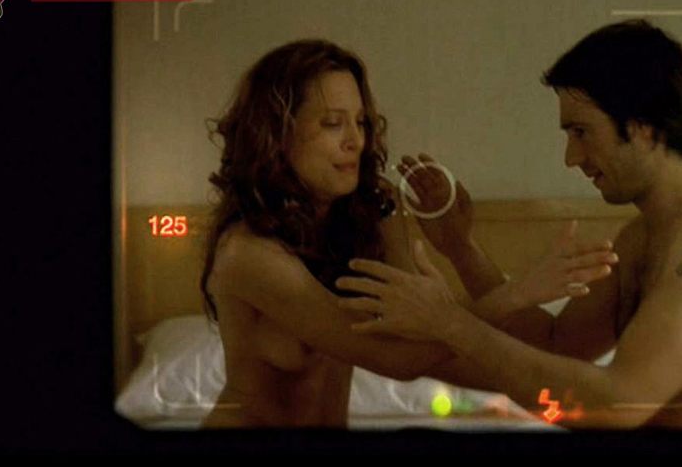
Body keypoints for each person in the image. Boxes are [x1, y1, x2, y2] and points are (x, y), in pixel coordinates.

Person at [337, 20, 682, 429]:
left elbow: (619, 405)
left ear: (643, 127)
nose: (571, 157)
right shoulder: (639, 237)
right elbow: (556, 345)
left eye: (581, 132)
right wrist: (461, 248)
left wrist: (451, 322)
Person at [197, 39, 616, 427]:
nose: (355, 141)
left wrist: (455, 242)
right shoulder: (248, 254)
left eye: (361, 122)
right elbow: (396, 359)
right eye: (332, 123)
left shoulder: (370, 213)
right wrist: (519, 292)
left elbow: (426, 341)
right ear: (276, 134)